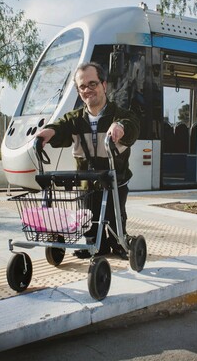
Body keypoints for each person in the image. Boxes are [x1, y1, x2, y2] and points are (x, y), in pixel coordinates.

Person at [36, 62, 140, 260]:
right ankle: (95, 245)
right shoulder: (75, 119)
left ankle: (119, 242)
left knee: (114, 215)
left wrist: (120, 127)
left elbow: (132, 125)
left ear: (104, 85)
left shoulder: (120, 114)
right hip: (87, 181)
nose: (87, 90)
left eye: (92, 84)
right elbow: (61, 127)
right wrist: (50, 131)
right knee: (88, 216)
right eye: (82, 86)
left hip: (115, 179)